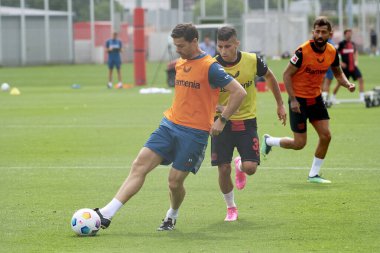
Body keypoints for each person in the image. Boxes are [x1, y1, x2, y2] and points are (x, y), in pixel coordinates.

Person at [93, 23, 246, 231]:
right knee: (139, 165)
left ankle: (172, 214)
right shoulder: (180, 62)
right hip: (169, 125)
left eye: (181, 45)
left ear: (194, 41)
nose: (177, 49)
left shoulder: (211, 67)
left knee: (174, 182)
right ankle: (106, 213)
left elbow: (239, 93)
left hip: (194, 134)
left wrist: (222, 119)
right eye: (175, 45)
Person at [261, 17, 356, 184]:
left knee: (326, 136)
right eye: (317, 31)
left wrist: (347, 84)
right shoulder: (302, 51)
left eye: (323, 32)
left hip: (316, 98)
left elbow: (338, 73)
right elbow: (286, 74)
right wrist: (293, 99)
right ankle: (269, 141)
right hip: (298, 100)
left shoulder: (332, 52)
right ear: (313, 32)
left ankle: (313, 175)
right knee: (299, 144)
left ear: (330, 34)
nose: (320, 35)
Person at [211, 26, 286, 222]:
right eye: (220, 46)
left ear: (237, 43)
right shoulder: (212, 65)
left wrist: (280, 104)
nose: (224, 51)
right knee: (223, 169)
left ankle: (240, 165)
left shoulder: (252, 60)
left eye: (228, 46)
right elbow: (202, 93)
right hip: (221, 123)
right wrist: (218, 107)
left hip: (247, 121)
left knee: (250, 168)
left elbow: (269, 76)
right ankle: (231, 207)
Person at [330, 29, 364, 102]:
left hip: (353, 66)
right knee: (340, 83)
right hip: (345, 67)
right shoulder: (341, 44)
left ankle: (362, 97)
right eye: (348, 33)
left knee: (360, 79)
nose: (349, 35)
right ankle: (333, 97)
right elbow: (335, 53)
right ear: (345, 34)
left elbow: (355, 52)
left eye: (350, 33)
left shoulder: (353, 44)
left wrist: (356, 61)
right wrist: (341, 63)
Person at [322, 35, 336, 107]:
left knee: (323, 83)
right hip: (329, 65)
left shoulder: (322, 42)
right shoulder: (330, 43)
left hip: (322, 64)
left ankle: (322, 100)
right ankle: (325, 100)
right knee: (327, 84)